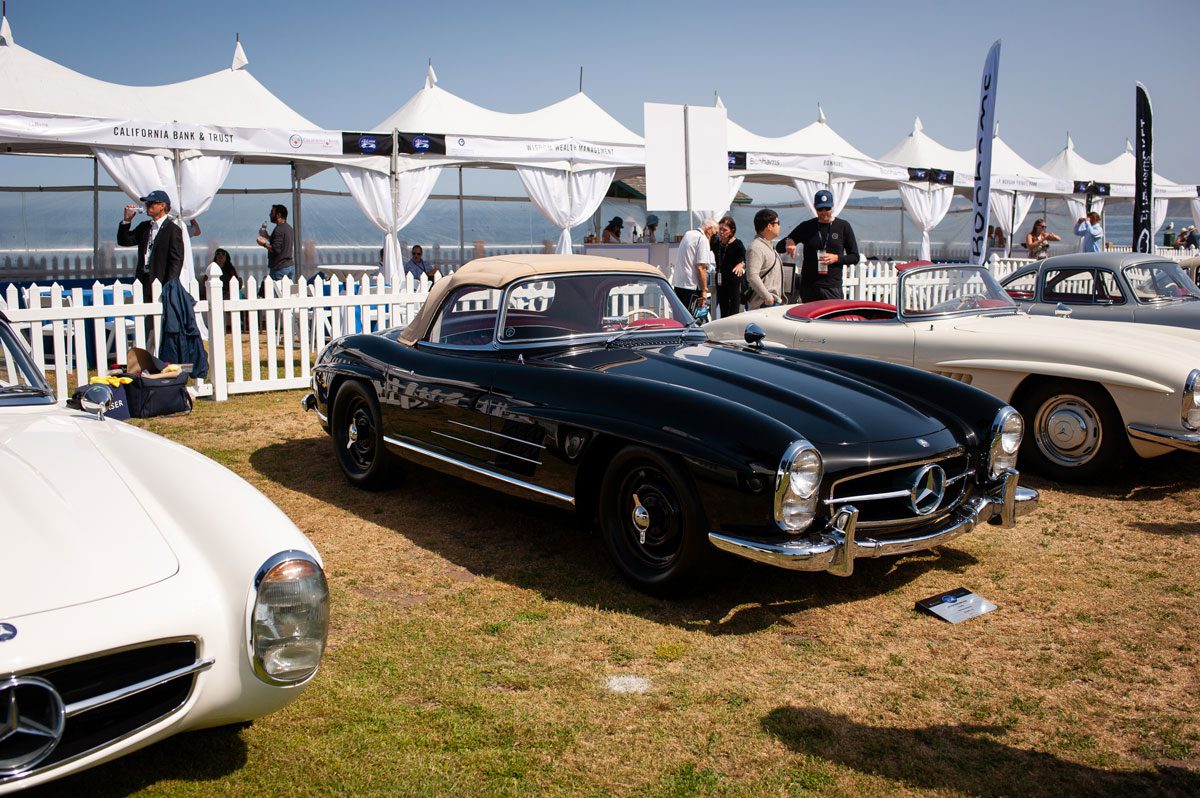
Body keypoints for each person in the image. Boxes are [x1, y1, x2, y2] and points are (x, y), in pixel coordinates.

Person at [779, 189, 859, 302]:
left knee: (832, 319)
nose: (824, 212)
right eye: (820, 209)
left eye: (827, 208)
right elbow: (779, 247)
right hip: (809, 287)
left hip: (831, 287)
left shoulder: (843, 226)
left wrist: (836, 258)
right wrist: (789, 240)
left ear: (833, 206)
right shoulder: (807, 226)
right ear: (814, 206)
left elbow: (855, 257)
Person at [117, 189, 184, 303]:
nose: (148, 205)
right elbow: (124, 241)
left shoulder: (173, 230)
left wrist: (169, 285)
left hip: (161, 281)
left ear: (162, 206)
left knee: (159, 318)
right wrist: (126, 221)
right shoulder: (144, 227)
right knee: (145, 318)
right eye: (147, 203)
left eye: (151, 203)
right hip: (143, 280)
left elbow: (176, 260)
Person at [673, 217, 717, 310]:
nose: (713, 237)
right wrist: (704, 290)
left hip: (678, 283)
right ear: (709, 230)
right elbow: (701, 267)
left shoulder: (688, 234)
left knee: (680, 318)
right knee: (690, 319)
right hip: (691, 286)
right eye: (713, 234)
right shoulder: (703, 239)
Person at [746, 209, 783, 309]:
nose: (779, 226)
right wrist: (768, 298)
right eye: (777, 223)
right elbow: (752, 276)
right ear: (769, 226)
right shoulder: (756, 247)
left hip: (771, 303)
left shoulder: (768, 245)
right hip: (763, 304)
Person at [710, 215, 746, 318]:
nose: (721, 232)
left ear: (731, 231)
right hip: (720, 280)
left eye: (724, 230)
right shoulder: (716, 243)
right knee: (723, 309)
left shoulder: (737, 244)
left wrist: (741, 264)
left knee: (733, 310)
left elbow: (748, 258)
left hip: (734, 280)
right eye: (720, 229)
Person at [257, 204, 295, 280]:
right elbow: (281, 244)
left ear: (278, 215)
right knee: (286, 291)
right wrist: (267, 236)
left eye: (272, 212)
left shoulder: (279, 229)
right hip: (289, 266)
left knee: (277, 291)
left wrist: (263, 244)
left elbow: (275, 249)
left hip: (279, 268)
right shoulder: (288, 228)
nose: (270, 215)